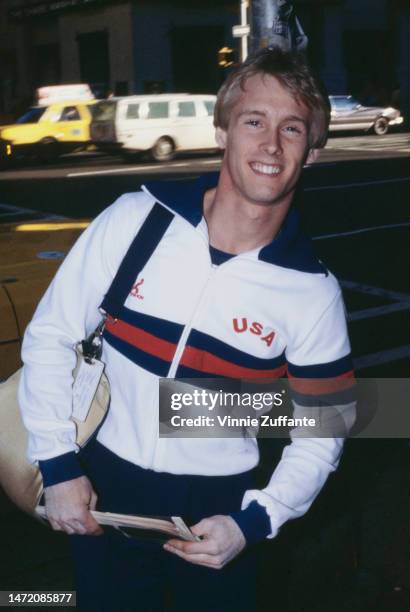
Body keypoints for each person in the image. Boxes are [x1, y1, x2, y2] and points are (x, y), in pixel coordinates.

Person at [19, 48, 354, 611]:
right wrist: (57, 466)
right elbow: (51, 334)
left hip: (219, 510)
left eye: (291, 128)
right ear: (223, 132)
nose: (271, 145)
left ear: (313, 151)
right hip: (102, 486)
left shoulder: (313, 293)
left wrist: (254, 521)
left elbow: (323, 432)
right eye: (254, 121)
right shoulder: (136, 220)